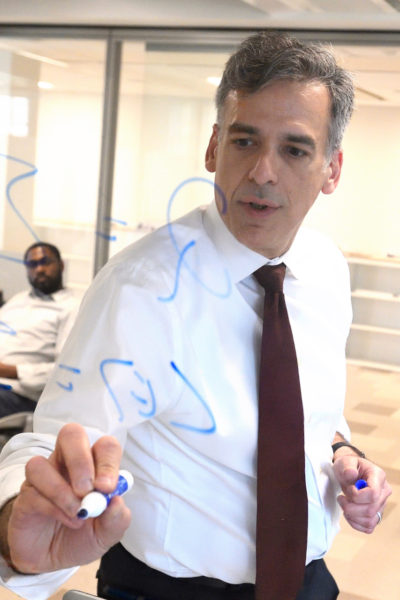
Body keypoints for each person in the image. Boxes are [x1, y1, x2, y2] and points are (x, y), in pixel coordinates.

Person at [0, 31, 392, 600]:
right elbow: (56, 446)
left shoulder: (327, 271)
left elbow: (307, 413)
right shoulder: (140, 290)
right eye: (244, 140)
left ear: (331, 169)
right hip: (169, 589)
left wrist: (344, 456)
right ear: (213, 148)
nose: (262, 171)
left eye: (295, 149)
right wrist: (15, 531)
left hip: (308, 580)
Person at [0, 242, 80, 417]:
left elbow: (65, 371)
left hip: (19, 395)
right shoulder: (17, 300)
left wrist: (9, 371)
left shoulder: (71, 308)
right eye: (32, 264)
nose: (40, 269)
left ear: (61, 265)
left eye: (45, 262)